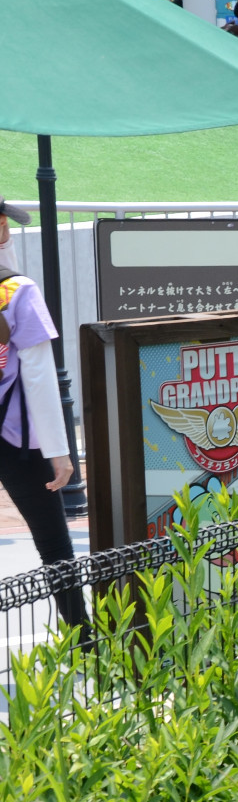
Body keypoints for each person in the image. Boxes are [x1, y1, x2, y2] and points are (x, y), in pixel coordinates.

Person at [0, 202, 86, 629]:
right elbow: (38, 376)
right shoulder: (17, 290)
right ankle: (84, 643)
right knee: (54, 545)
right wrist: (60, 450)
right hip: (15, 439)